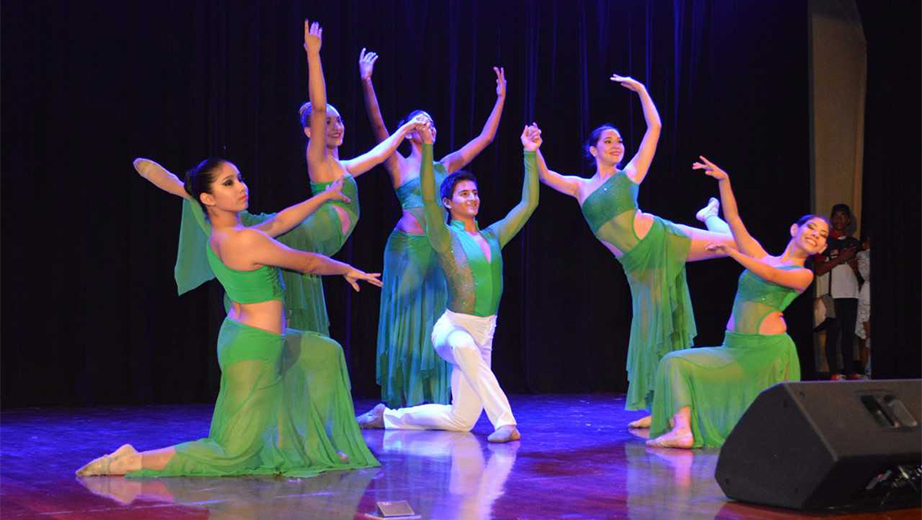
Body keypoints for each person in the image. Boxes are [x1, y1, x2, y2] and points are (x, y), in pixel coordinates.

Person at [77, 158, 383, 477]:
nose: (241, 186)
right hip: (255, 348)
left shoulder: (227, 233)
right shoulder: (244, 240)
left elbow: (280, 222)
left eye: (239, 178)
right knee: (232, 453)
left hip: (248, 337)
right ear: (208, 199)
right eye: (228, 183)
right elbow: (306, 262)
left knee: (323, 353)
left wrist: (322, 197)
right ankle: (133, 459)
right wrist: (347, 269)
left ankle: (312, 445)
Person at [135, 20, 427, 335]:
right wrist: (314, 55)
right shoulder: (318, 160)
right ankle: (186, 190)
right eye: (327, 122)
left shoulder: (342, 168)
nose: (335, 126)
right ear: (310, 132)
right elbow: (317, 107)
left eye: (339, 120)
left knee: (257, 229)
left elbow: (380, 153)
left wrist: (404, 130)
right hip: (304, 234)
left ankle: (188, 190)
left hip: (310, 235)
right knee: (254, 230)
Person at [535, 74, 735, 415]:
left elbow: (654, 128)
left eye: (619, 141)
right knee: (649, 333)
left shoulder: (630, 175)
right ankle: (658, 405)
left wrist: (642, 91)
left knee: (731, 242)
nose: (617, 146)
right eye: (609, 142)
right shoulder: (579, 186)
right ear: (592, 149)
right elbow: (544, 175)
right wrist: (533, 148)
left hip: (660, 241)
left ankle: (709, 216)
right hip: (636, 266)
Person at [356, 123, 541, 443]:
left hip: (486, 331)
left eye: (475, 193)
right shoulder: (444, 237)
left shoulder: (492, 236)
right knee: (464, 346)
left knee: (460, 420)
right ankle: (505, 421)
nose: (472, 198)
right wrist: (427, 148)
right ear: (448, 203)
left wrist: (530, 153)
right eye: (463, 193)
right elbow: (427, 197)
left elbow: (528, 204)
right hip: (452, 329)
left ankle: (387, 416)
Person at [645, 156, 828, 448]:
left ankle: (679, 426)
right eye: (811, 229)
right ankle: (681, 429)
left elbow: (767, 272)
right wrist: (724, 180)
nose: (816, 236)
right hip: (734, 347)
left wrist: (734, 253)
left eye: (822, 236)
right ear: (795, 229)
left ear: (824, 247)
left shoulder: (802, 274)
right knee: (674, 362)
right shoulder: (760, 254)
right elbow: (736, 221)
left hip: (767, 354)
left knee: (679, 364)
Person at [359, 48, 507, 408]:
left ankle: (435, 397)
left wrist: (500, 98)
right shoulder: (397, 163)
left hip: (442, 250)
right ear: (408, 132)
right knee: (407, 314)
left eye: (431, 122)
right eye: (419, 122)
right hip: (408, 248)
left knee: (438, 317)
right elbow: (378, 125)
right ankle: (402, 398)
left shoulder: (447, 164)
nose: (428, 126)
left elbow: (485, 139)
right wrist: (367, 81)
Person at [813, 203, 861, 380]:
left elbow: (861, 272)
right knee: (834, 333)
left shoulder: (854, 243)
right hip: (833, 294)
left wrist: (855, 266)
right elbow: (819, 269)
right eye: (836, 215)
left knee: (849, 334)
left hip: (852, 293)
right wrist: (841, 258)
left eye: (843, 216)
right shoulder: (825, 242)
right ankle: (834, 371)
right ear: (831, 219)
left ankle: (850, 371)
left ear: (848, 220)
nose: (839, 219)